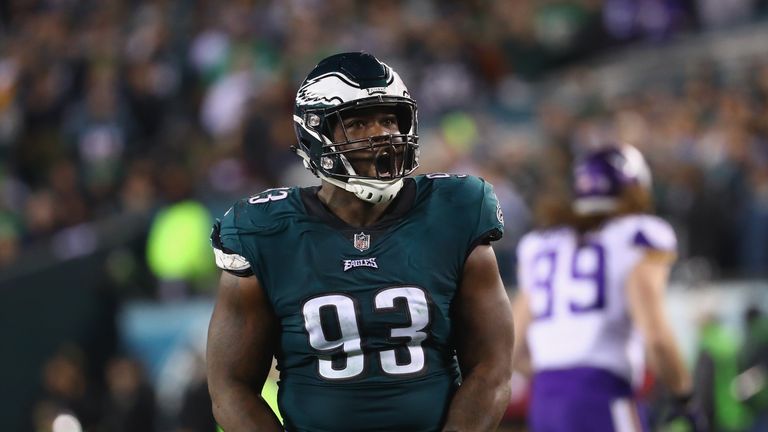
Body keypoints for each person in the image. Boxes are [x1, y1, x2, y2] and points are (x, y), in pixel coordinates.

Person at [206, 51, 514, 432]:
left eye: (388, 119)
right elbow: (230, 388)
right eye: (358, 123)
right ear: (316, 134)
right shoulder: (265, 231)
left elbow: (492, 371)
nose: (382, 134)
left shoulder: (455, 210)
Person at [512, 144, 704, 431]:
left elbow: (512, 346)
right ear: (635, 187)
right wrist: (685, 397)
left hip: (545, 399)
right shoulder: (639, 234)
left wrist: (559, 382)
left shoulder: (539, 243)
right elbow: (657, 339)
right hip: (601, 394)